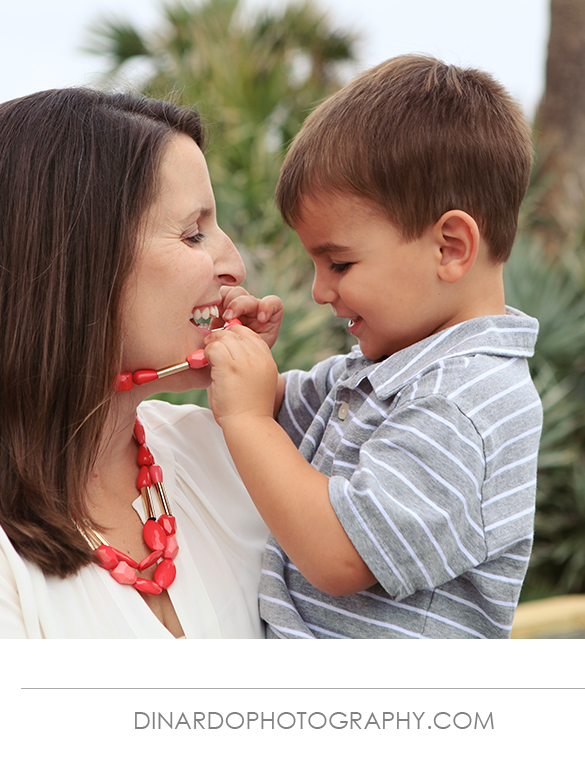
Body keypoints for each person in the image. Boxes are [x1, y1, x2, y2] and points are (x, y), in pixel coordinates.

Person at [0, 88, 276, 638]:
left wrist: (267, 402)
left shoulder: (223, 447)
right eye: (193, 233)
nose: (233, 263)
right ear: (75, 260)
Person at [203, 55, 543, 638]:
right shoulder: (378, 374)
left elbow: (341, 556)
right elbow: (276, 413)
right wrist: (245, 360)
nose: (319, 292)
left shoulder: (466, 405)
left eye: (339, 263)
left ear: (450, 247)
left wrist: (245, 416)